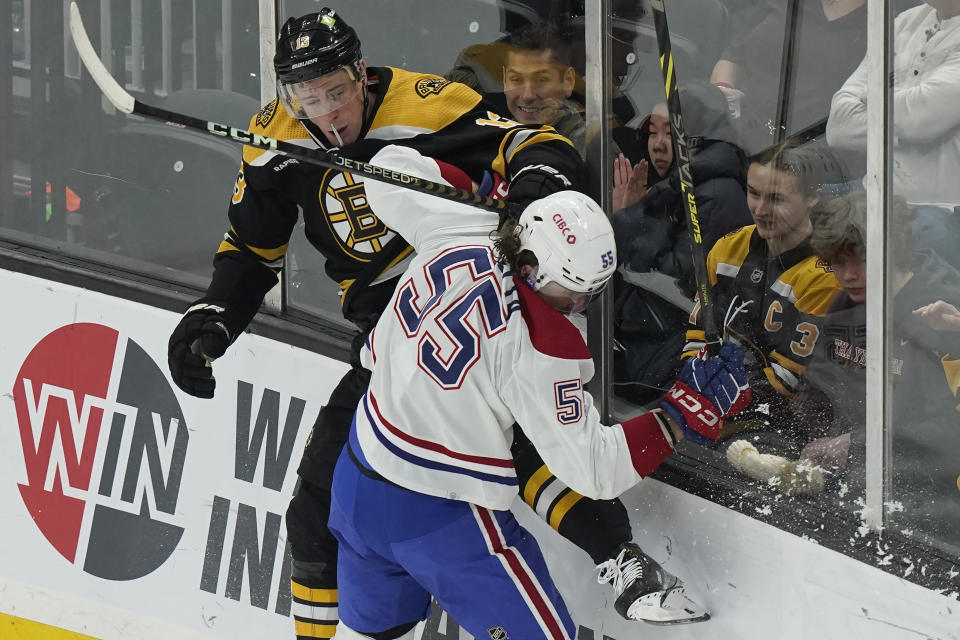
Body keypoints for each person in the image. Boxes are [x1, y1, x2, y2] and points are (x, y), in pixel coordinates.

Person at [162, 8, 698, 638]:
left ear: (360, 74)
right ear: (288, 98)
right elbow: (254, 248)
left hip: (479, 302)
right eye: (309, 99)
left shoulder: (425, 106)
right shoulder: (276, 139)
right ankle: (621, 562)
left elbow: (538, 144)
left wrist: (531, 193)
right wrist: (217, 315)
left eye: (337, 92)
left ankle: (622, 560)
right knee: (316, 509)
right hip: (391, 334)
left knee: (516, 443)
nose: (328, 113)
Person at [327, 145, 752, 640]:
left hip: (357, 476)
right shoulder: (539, 346)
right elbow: (594, 469)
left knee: (369, 634)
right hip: (439, 516)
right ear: (533, 268)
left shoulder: (461, 228)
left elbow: (386, 169)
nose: (579, 303)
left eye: (592, 291)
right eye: (573, 290)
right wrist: (677, 415)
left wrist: (487, 197)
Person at [785, 192, 960, 540]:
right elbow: (820, 384)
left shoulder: (942, 314)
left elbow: (949, 431)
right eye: (837, 262)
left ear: (892, 250)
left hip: (926, 496)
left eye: (861, 260)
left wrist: (857, 445)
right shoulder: (848, 301)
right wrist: (810, 436)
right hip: (851, 467)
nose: (849, 275)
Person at [682, 142, 843, 455]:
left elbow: (790, 380)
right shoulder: (728, 246)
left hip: (786, 424)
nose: (760, 208)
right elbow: (699, 331)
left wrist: (713, 398)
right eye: (753, 192)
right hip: (719, 400)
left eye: (777, 199)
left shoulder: (824, 276)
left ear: (813, 197)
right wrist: (694, 380)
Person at [611, 81, 754, 405]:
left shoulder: (715, 196)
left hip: (672, 354)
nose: (658, 145)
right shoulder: (678, 186)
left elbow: (676, 283)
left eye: (670, 132)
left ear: (697, 135)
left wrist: (628, 218)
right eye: (652, 132)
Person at [826, 0, 960, 207]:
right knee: (794, 197)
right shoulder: (906, 21)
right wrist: (905, 128)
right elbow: (839, 125)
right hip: (873, 191)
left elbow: (918, 118)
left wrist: (871, 95)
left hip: (939, 209)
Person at [712, 0, 867, 155]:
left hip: (802, 156)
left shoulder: (881, 22)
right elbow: (733, 57)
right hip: (734, 134)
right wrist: (724, 95)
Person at [501, 25, 586, 154]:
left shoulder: (594, 151)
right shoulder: (494, 142)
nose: (527, 96)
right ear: (504, 81)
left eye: (541, 80)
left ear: (568, 81)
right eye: (516, 80)